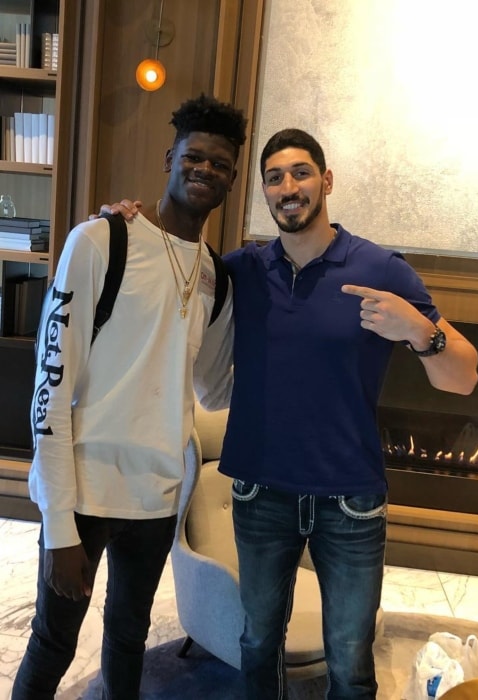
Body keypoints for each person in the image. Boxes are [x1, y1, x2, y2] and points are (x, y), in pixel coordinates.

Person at [104, 128, 478, 700]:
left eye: (301, 172)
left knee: (351, 662)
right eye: (274, 177)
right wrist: (123, 224)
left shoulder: (381, 268)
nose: (288, 187)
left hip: (350, 499)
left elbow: (465, 377)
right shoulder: (240, 271)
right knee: (257, 645)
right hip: (260, 494)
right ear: (263, 191)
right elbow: (165, 270)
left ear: (326, 181)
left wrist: (418, 331)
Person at [12, 93, 247, 700]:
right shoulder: (98, 241)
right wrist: (58, 523)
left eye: (220, 164)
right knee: (53, 641)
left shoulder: (218, 278)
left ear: (232, 178)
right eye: (194, 157)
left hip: (158, 496)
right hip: (86, 489)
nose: (204, 171)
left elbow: (215, 387)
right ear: (171, 157)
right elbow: (50, 388)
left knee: (127, 637)